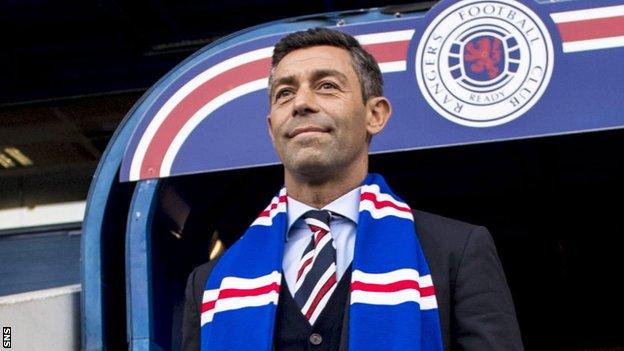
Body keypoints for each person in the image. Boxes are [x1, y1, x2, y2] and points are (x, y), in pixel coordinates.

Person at [182, 27, 523, 350]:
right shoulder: (209, 283)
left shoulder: (456, 253)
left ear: (375, 114)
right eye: (284, 93)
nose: (301, 103)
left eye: (327, 86)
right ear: (272, 129)